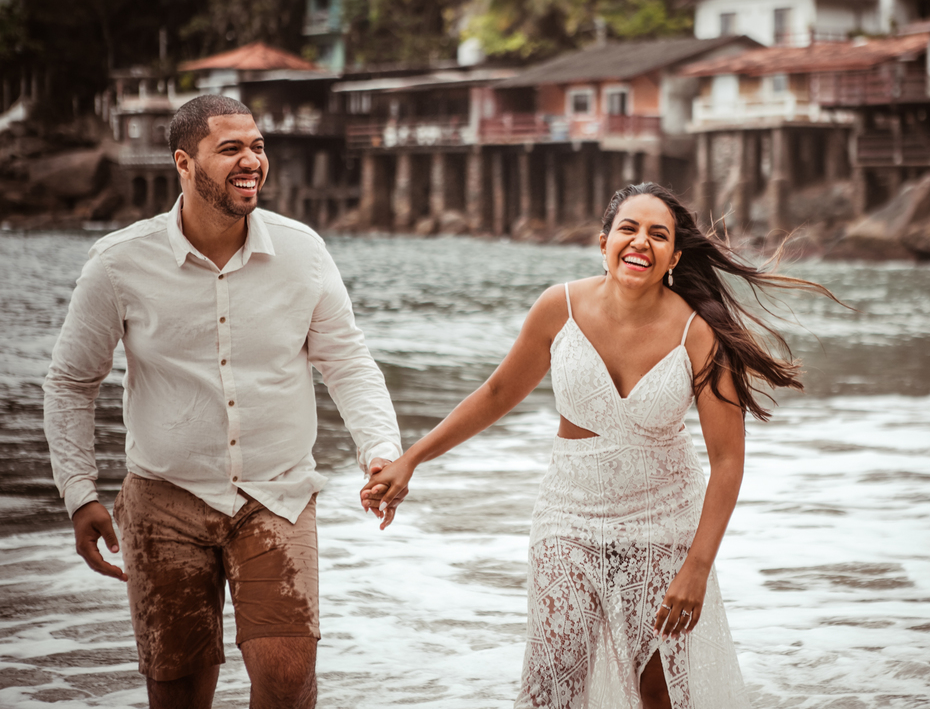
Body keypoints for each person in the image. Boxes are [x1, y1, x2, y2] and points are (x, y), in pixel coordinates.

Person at [362, 182, 839, 708]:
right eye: (628, 229)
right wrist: (411, 459)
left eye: (658, 235)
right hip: (569, 516)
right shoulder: (557, 307)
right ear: (603, 241)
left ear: (674, 256)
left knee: (659, 688)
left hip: (662, 519)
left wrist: (697, 569)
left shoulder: (699, 334)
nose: (641, 242)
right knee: (554, 679)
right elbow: (497, 393)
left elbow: (727, 462)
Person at [43, 94, 403, 709]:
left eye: (258, 146)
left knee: (289, 685)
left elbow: (347, 361)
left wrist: (381, 450)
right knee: (177, 691)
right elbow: (72, 382)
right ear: (184, 163)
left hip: (278, 497)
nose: (251, 161)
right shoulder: (118, 263)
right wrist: (80, 491)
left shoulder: (303, 252)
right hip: (162, 501)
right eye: (230, 148)